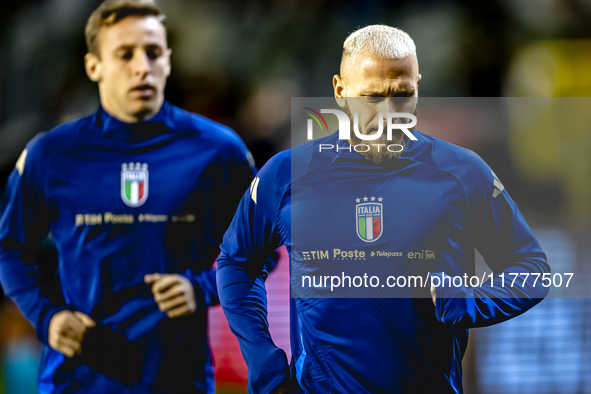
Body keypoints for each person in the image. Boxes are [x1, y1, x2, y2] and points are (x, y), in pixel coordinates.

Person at [217, 25, 551, 393]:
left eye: (403, 94)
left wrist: (471, 300)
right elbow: (237, 263)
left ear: (418, 86)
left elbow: (532, 269)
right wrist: (265, 363)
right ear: (340, 91)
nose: (390, 114)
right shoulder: (286, 174)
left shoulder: (463, 172)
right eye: (373, 97)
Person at [0, 0, 256, 392]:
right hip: (77, 380)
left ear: (168, 61)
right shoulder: (50, 155)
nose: (142, 67)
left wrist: (203, 287)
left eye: (153, 52)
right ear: (94, 66)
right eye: (125, 54)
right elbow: (10, 247)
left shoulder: (220, 152)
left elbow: (261, 247)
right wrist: (46, 317)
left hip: (177, 381)